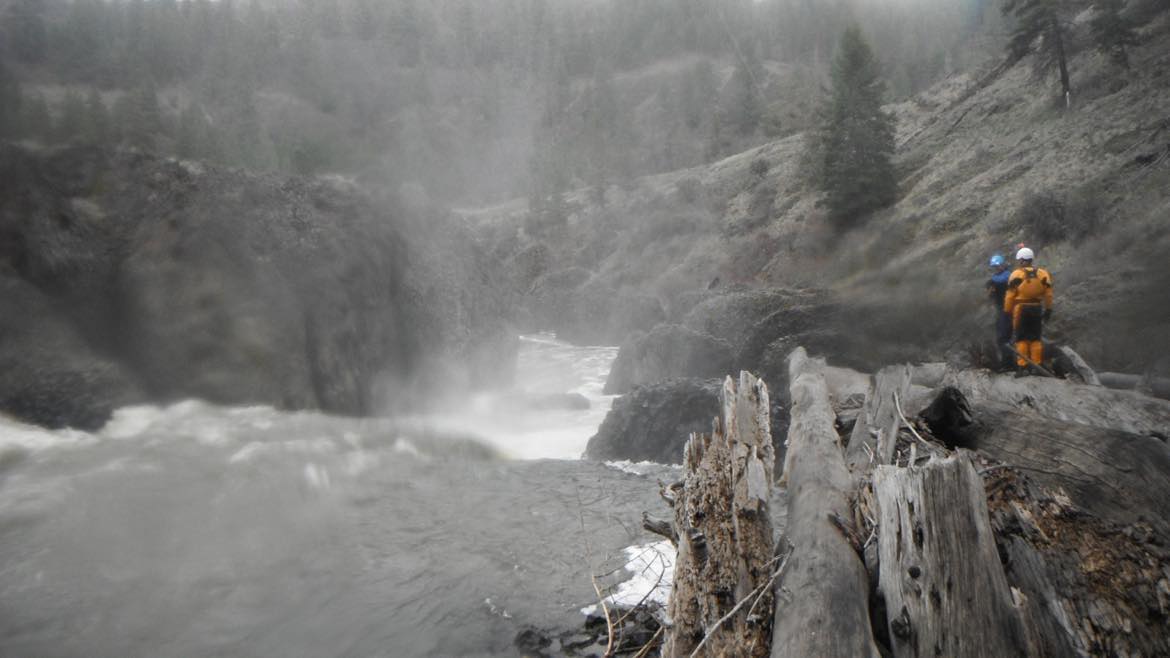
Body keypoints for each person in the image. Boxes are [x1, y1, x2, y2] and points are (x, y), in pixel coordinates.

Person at [1003, 247, 1054, 375]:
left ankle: (1023, 366)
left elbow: (1010, 295)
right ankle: (1037, 364)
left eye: (1019, 260)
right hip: (1037, 308)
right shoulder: (1043, 273)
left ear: (1022, 260)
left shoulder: (1016, 274)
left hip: (1021, 309)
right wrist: (1048, 310)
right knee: (1035, 338)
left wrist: (1007, 311)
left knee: (1021, 338)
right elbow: (1048, 295)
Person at [985, 254, 1013, 370]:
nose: (996, 269)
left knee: (1003, 337)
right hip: (1002, 310)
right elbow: (990, 296)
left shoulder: (1007, 277)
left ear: (1002, 265)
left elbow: (1001, 282)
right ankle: (1008, 362)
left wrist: (991, 287)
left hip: (1007, 310)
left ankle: (1008, 363)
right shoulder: (995, 280)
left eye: (997, 266)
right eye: (994, 267)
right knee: (1002, 336)